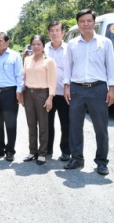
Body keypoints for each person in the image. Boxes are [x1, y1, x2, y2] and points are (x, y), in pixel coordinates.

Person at [64, 9, 114, 175]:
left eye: (89, 20)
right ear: (78, 24)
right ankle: (77, 158)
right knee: (75, 126)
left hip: (98, 89)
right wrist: (67, 87)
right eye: (82, 21)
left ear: (94, 22)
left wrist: (112, 89)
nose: (86, 24)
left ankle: (101, 162)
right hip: (77, 89)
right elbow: (68, 67)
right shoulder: (72, 44)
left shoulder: (105, 42)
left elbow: (111, 67)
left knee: (101, 127)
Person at [0, 32, 24, 162]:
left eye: (0, 40)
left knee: (10, 123)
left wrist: (19, 91)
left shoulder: (14, 56)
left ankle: (10, 150)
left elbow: (19, 75)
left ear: (7, 42)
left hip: (10, 92)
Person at [22, 35, 57, 166]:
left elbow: (52, 80)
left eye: (38, 44)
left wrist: (50, 97)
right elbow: (24, 78)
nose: (36, 47)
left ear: (43, 46)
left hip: (43, 93)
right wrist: (21, 94)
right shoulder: (27, 59)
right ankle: (32, 151)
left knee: (43, 125)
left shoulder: (49, 61)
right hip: (28, 93)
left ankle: (42, 153)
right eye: (33, 44)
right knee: (31, 124)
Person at [44, 21, 71, 161]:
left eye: (57, 30)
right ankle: (47, 149)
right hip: (47, 93)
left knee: (66, 123)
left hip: (64, 92)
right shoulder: (44, 49)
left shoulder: (69, 48)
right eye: (52, 30)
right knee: (47, 123)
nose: (54, 33)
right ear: (48, 33)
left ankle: (66, 151)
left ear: (63, 33)